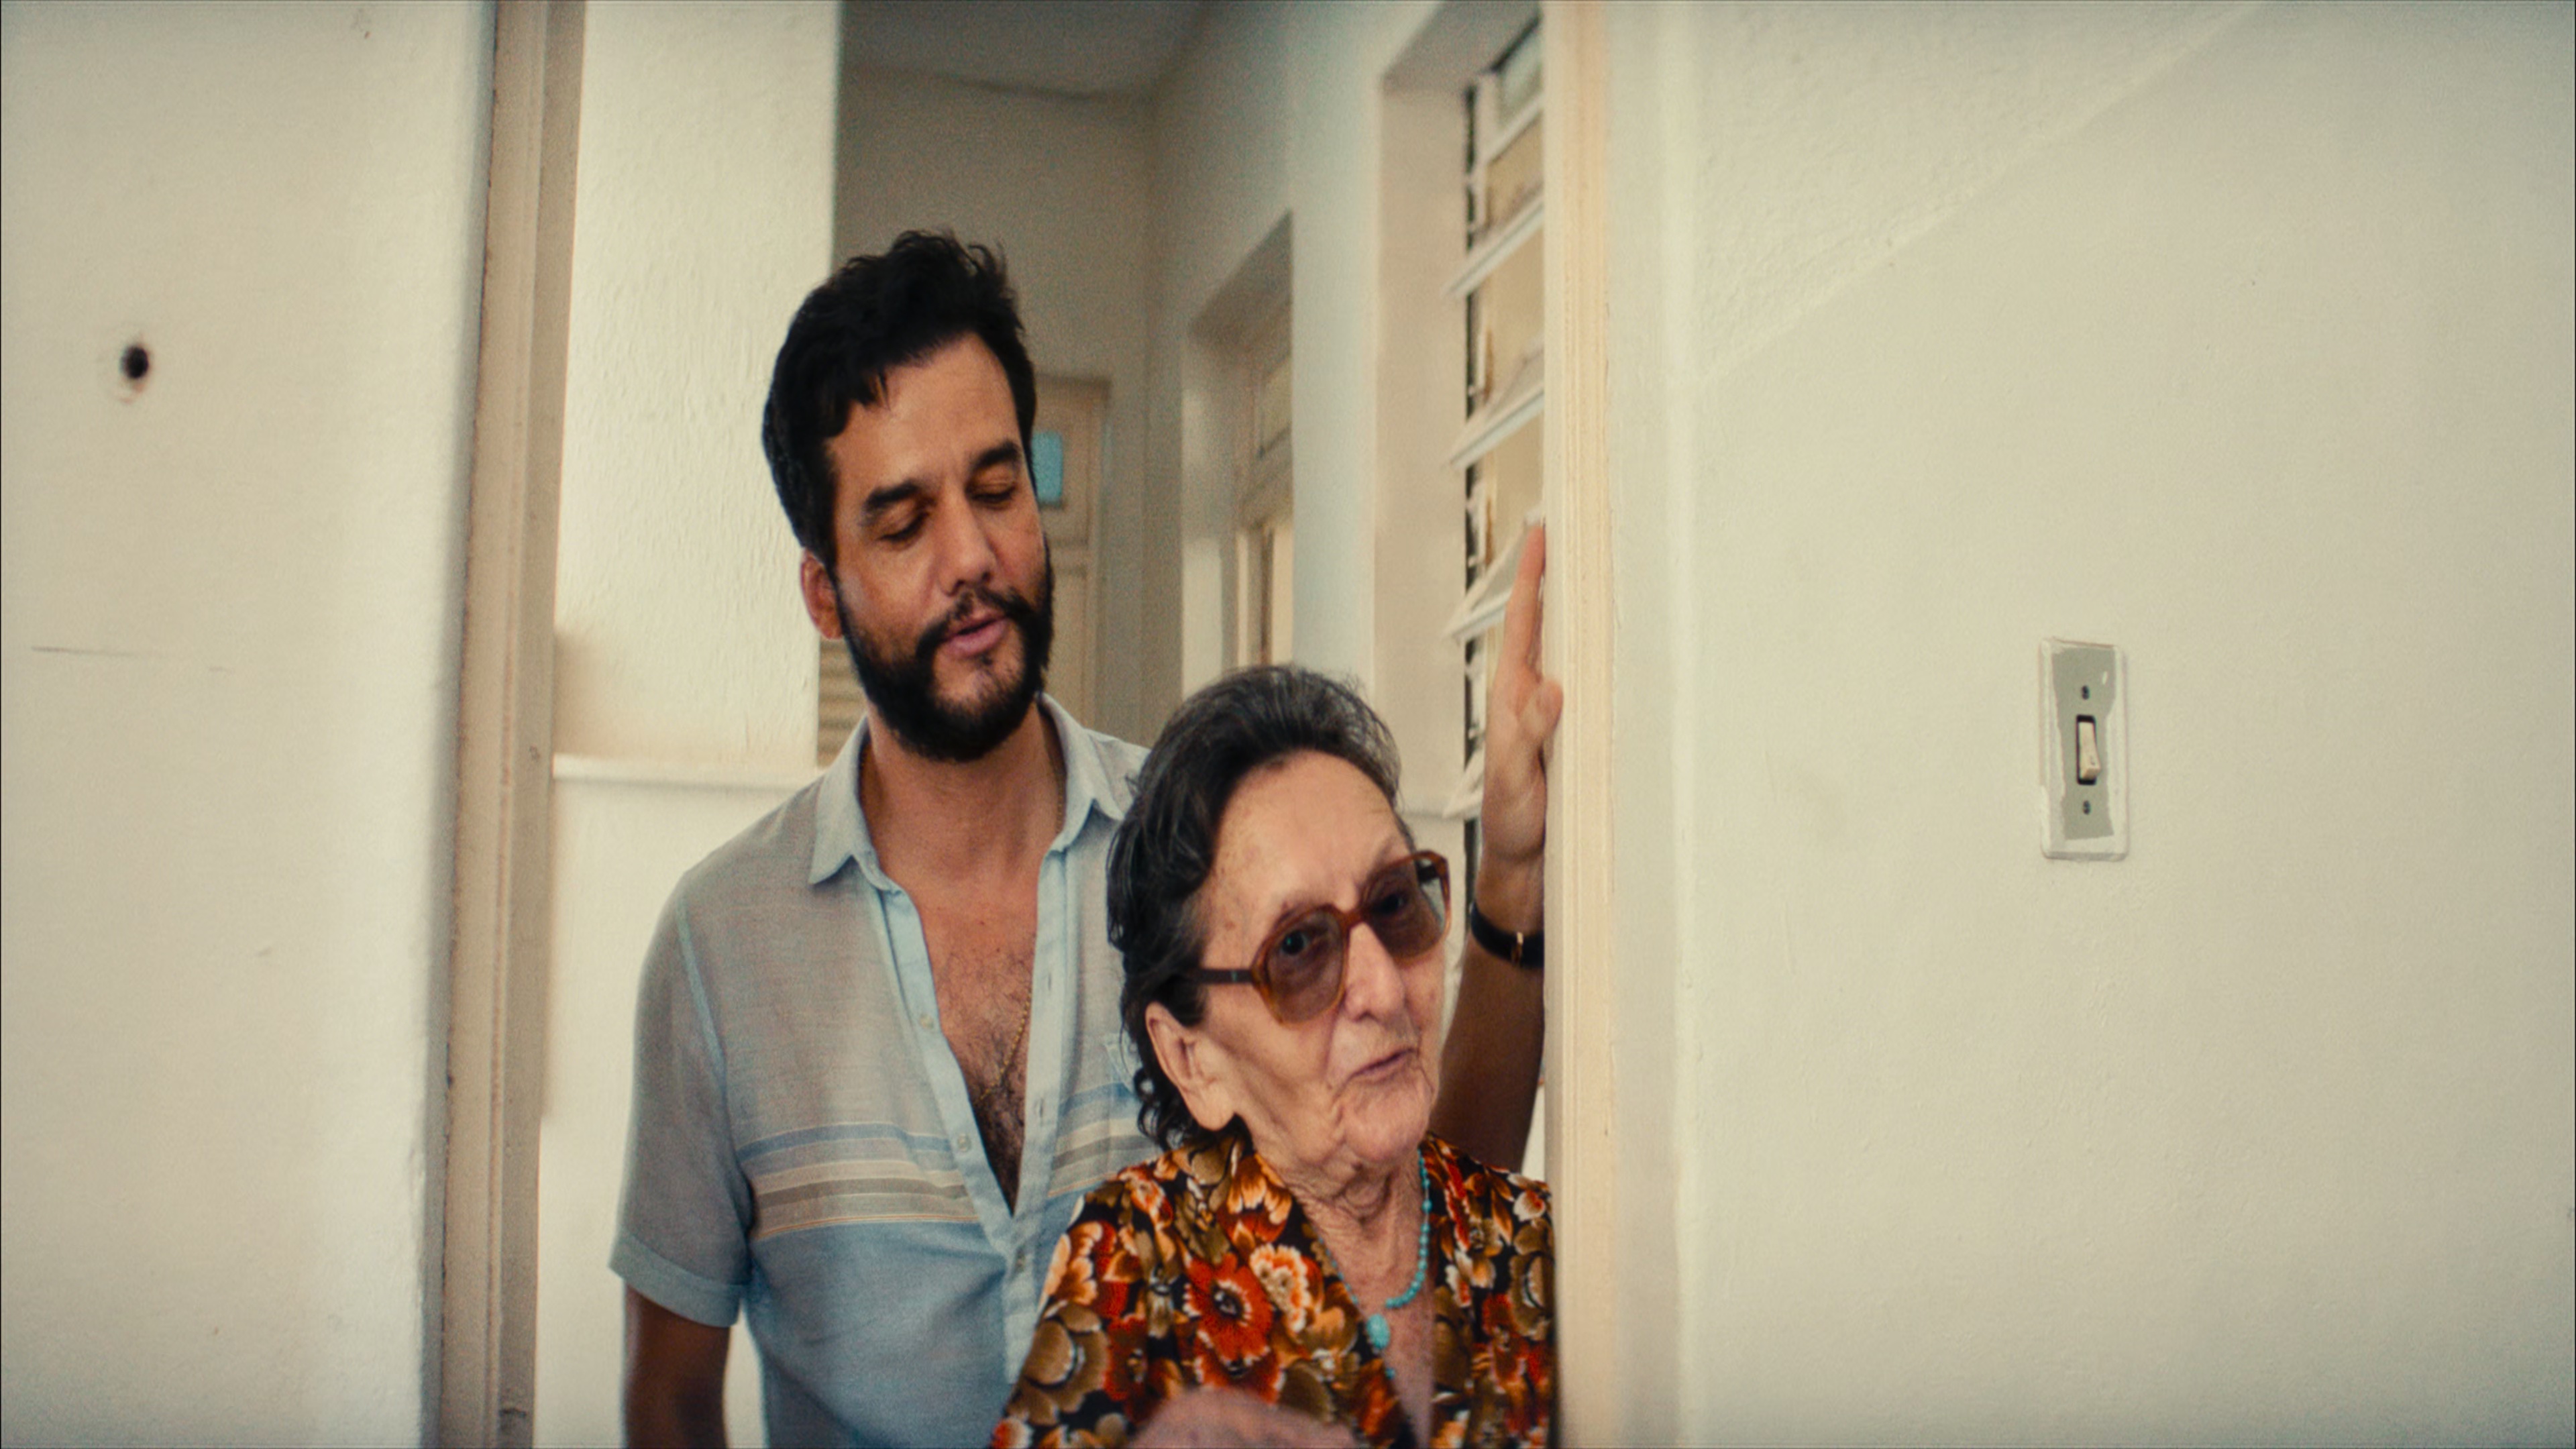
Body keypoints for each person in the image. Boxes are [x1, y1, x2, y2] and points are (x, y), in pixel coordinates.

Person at [613, 231, 1550, 1447]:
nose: (971, 557)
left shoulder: (1210, 861)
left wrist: (1514, 872)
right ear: (823, 593)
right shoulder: (718, 950)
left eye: (997, 489)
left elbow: (1428, 1225)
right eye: (903, 524)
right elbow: (669, 1394)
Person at [994, 531, 1561, 1449]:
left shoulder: (1534, 1243)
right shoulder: (1134, 1264)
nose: (1381, 987)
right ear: (1192, 1058)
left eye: (1396, 903)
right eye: (1298, 949)